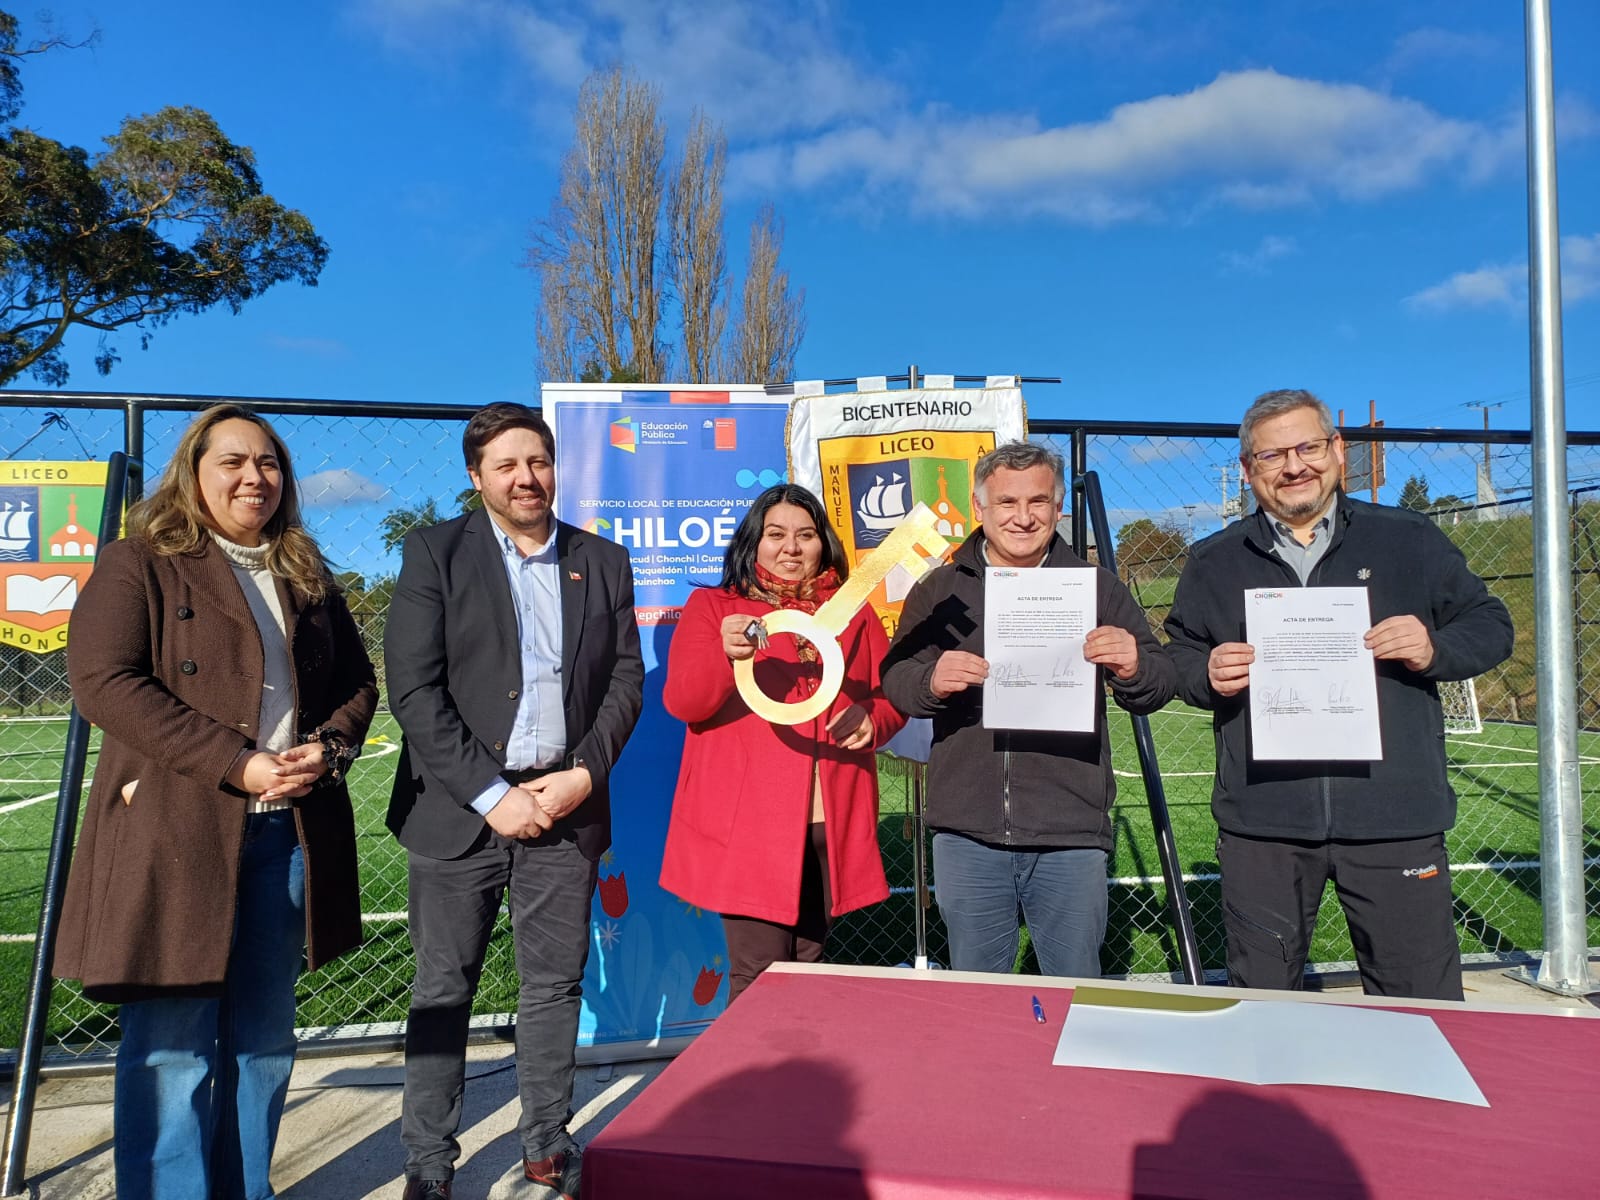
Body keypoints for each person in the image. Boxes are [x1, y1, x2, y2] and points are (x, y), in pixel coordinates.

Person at [56, 405, 378, 1200]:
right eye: (231, 461)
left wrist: (329, 748)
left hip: (286, 837)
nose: (252, 477)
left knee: (263, 1041)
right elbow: (105, 683)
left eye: (268, 463)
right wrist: (237, 764)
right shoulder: (140, 562)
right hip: (177, 832)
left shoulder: (305, 570)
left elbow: (357, 684)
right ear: (192, 472)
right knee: (172, 1049)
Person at [1164, 388, 1514, 1001]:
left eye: (1308, 447)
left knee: (1420, 1008)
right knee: (1261, 1005)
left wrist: (1433, 648)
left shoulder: (1408, 539)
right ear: (1247, 469)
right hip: (1265, 824)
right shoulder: (1214, 560)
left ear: (1337, 449)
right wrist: (1205, 672)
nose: (1293, 466)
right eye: (1272, 455)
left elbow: (1490, 625)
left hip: (1394, 817)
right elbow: (1180, 656)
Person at [385, 402, 643, 1200]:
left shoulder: (603, 560)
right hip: (459, 811)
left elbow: (625, 679)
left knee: (553, 986)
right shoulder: (435, 553)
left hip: (566, 807)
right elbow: (414, 690)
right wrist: (492, 795)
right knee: (443, 991)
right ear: (477, 477)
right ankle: (430, 1165)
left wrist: (583, 774)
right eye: (506, 465)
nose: (526, 477)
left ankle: (546, 1143)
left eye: (538, 461)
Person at [881, 441, 1175, 978]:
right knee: (981, 996)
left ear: (1058, 507)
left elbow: (1157, 683)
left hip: (1070, 833)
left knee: (1074, 993)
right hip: (966, 832)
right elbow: (896, 680)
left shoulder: (1096, 588)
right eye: (1006, 503)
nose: (1023, 517)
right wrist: (930, 680)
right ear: (979, 507)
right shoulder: (939, 591)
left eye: (1038, 501)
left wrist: (1134, 665)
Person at [659, 484, 906, 1002]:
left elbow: (890, 694)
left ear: (824, 544)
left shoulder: (853, 611)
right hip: (750, 827)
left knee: (809, 967)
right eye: (776, 534)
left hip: (829, 824)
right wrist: (726, 655)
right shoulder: (714, 608)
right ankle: (752, 1060)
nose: (791, 548)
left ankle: (796, 1058)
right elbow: (685, 702)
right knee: (758, 975)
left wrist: (875, 720)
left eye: (806, 535)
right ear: (753, 542)